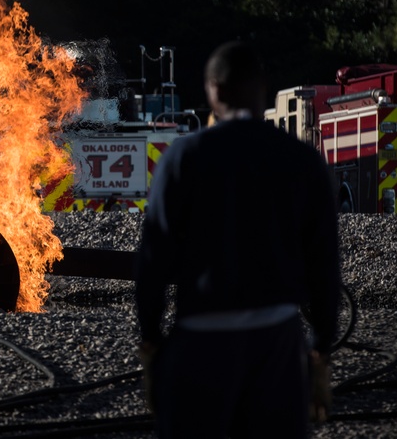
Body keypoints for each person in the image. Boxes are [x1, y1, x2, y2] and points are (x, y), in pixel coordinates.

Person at [135, 40, 340, 438]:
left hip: (200, 343)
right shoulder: (301, 160)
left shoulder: (183, 158)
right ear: (262, 88)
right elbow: (324, 262)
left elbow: (153, 259)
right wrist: (321, 346)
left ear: (213, 89)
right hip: (277, 344)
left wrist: (151, 341)